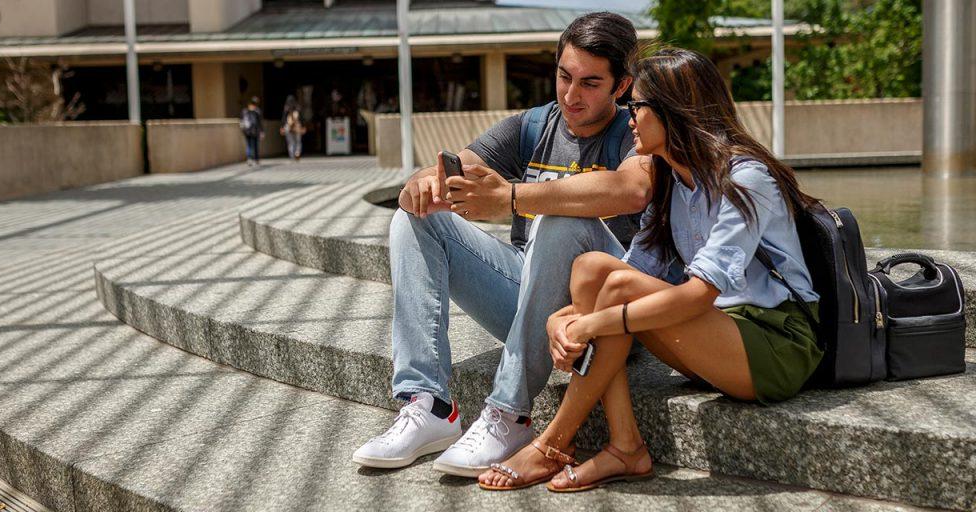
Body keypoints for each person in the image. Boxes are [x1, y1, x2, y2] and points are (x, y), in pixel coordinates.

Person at [477, 47, 824, 492]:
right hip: (715, 335)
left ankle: (551, 444)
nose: (629, 116)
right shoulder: (672, 180)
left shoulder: (745, 177)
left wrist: (592, 323)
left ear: (673, 111)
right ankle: (626, 445)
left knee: (614, 286)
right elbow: (629, 270)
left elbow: (699, 293)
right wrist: (560, 317)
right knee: (590, 269)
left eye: (636, 105)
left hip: (774, 343)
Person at [352, 12, 656, 476]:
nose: (572, 95)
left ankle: (509, 414)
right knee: (414, 220)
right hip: (528, 295)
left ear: (621, 86)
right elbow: (453, 169)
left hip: (606, 319)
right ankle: (428, 404)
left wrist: (512, 197)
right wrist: (422, 186)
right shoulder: (532, 127)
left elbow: (634, 188)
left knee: (558, 219)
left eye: (591, 83)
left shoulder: (636, 131)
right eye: (564, 76)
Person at [240, 97, 264, 166]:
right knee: (255, 145)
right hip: (254, 131)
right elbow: (259, 122)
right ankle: (256, 159)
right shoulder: (257, 111)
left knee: (249, 145)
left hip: (247, 131)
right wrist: (262, 131)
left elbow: (242, 121)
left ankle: (249, 158)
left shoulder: (244, 111)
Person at [281, 95, 306, 160]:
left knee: (291, 142)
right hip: (297, 126)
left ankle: (292, 155)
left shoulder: (286, 108)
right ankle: (297, 153)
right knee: (298, 141)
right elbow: (302, 118)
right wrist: (303, 127)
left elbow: (283, 119)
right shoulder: (298, 108)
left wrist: (282, 127)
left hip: (288, 127)